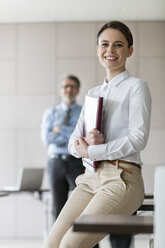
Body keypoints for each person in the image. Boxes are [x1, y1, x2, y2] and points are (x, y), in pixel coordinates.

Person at [44, 21, 151, 248]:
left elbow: (138, 138)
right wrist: (85, 144)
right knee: (52, 243)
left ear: (129, 51)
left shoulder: (136, 87)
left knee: (70, 245)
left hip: (122, 178)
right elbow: (74, 143)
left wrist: (93, 150)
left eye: (118, 45)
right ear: (97, 50)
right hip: (90, 178)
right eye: (105, 44)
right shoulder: (94, 93)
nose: (110, 50)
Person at [41, 74, 85, 220]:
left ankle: (89, 243)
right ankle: (58, 242)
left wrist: (60, 129)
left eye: (72, 86)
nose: (69, 90)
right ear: (60, 90)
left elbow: (81, 138)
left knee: (84, 205)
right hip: (56, 162)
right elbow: (47, 139)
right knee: (57, 208)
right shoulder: (50, 113)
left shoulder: (84, 112)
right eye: (65, 86)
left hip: (77, 162)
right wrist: (71, 135)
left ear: (78, 90)